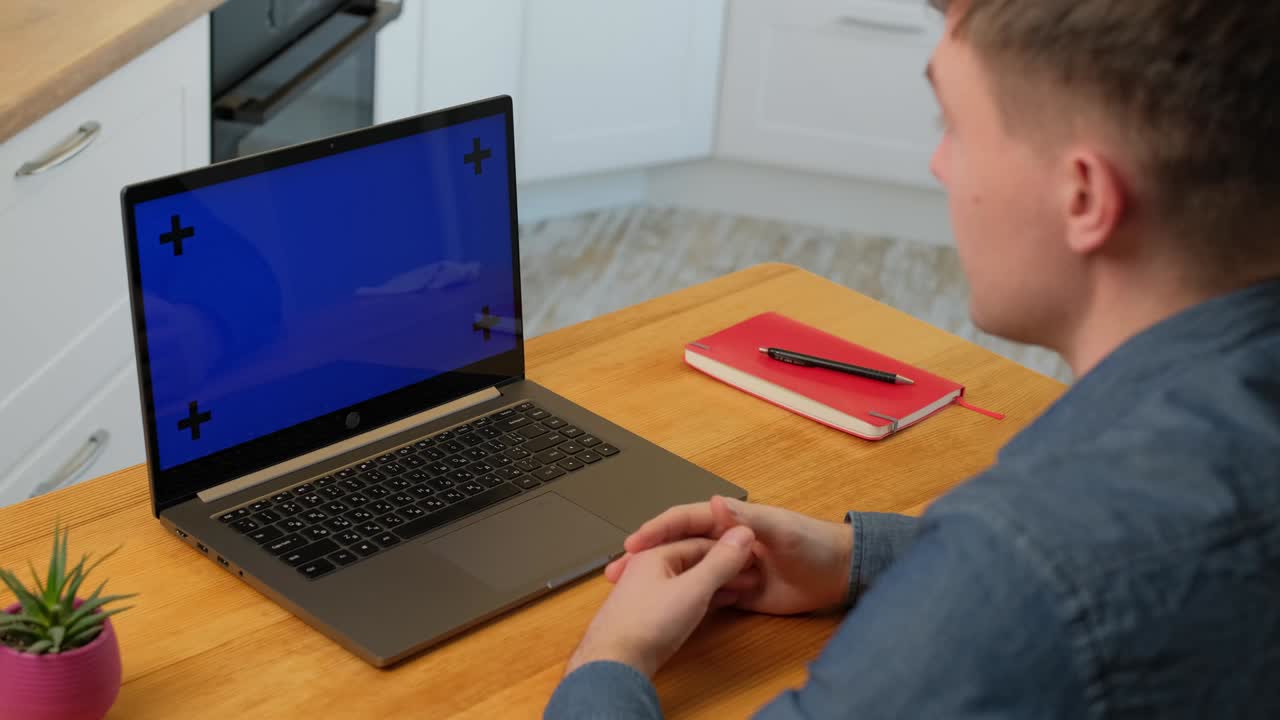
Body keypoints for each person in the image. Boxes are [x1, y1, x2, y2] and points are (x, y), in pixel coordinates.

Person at [544, 0, 1280, 717]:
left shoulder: (1020, 571)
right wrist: (854, 557)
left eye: (953, 127)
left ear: (1083, 196)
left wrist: (608, 662)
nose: (938, 165)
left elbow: (1049, 584)